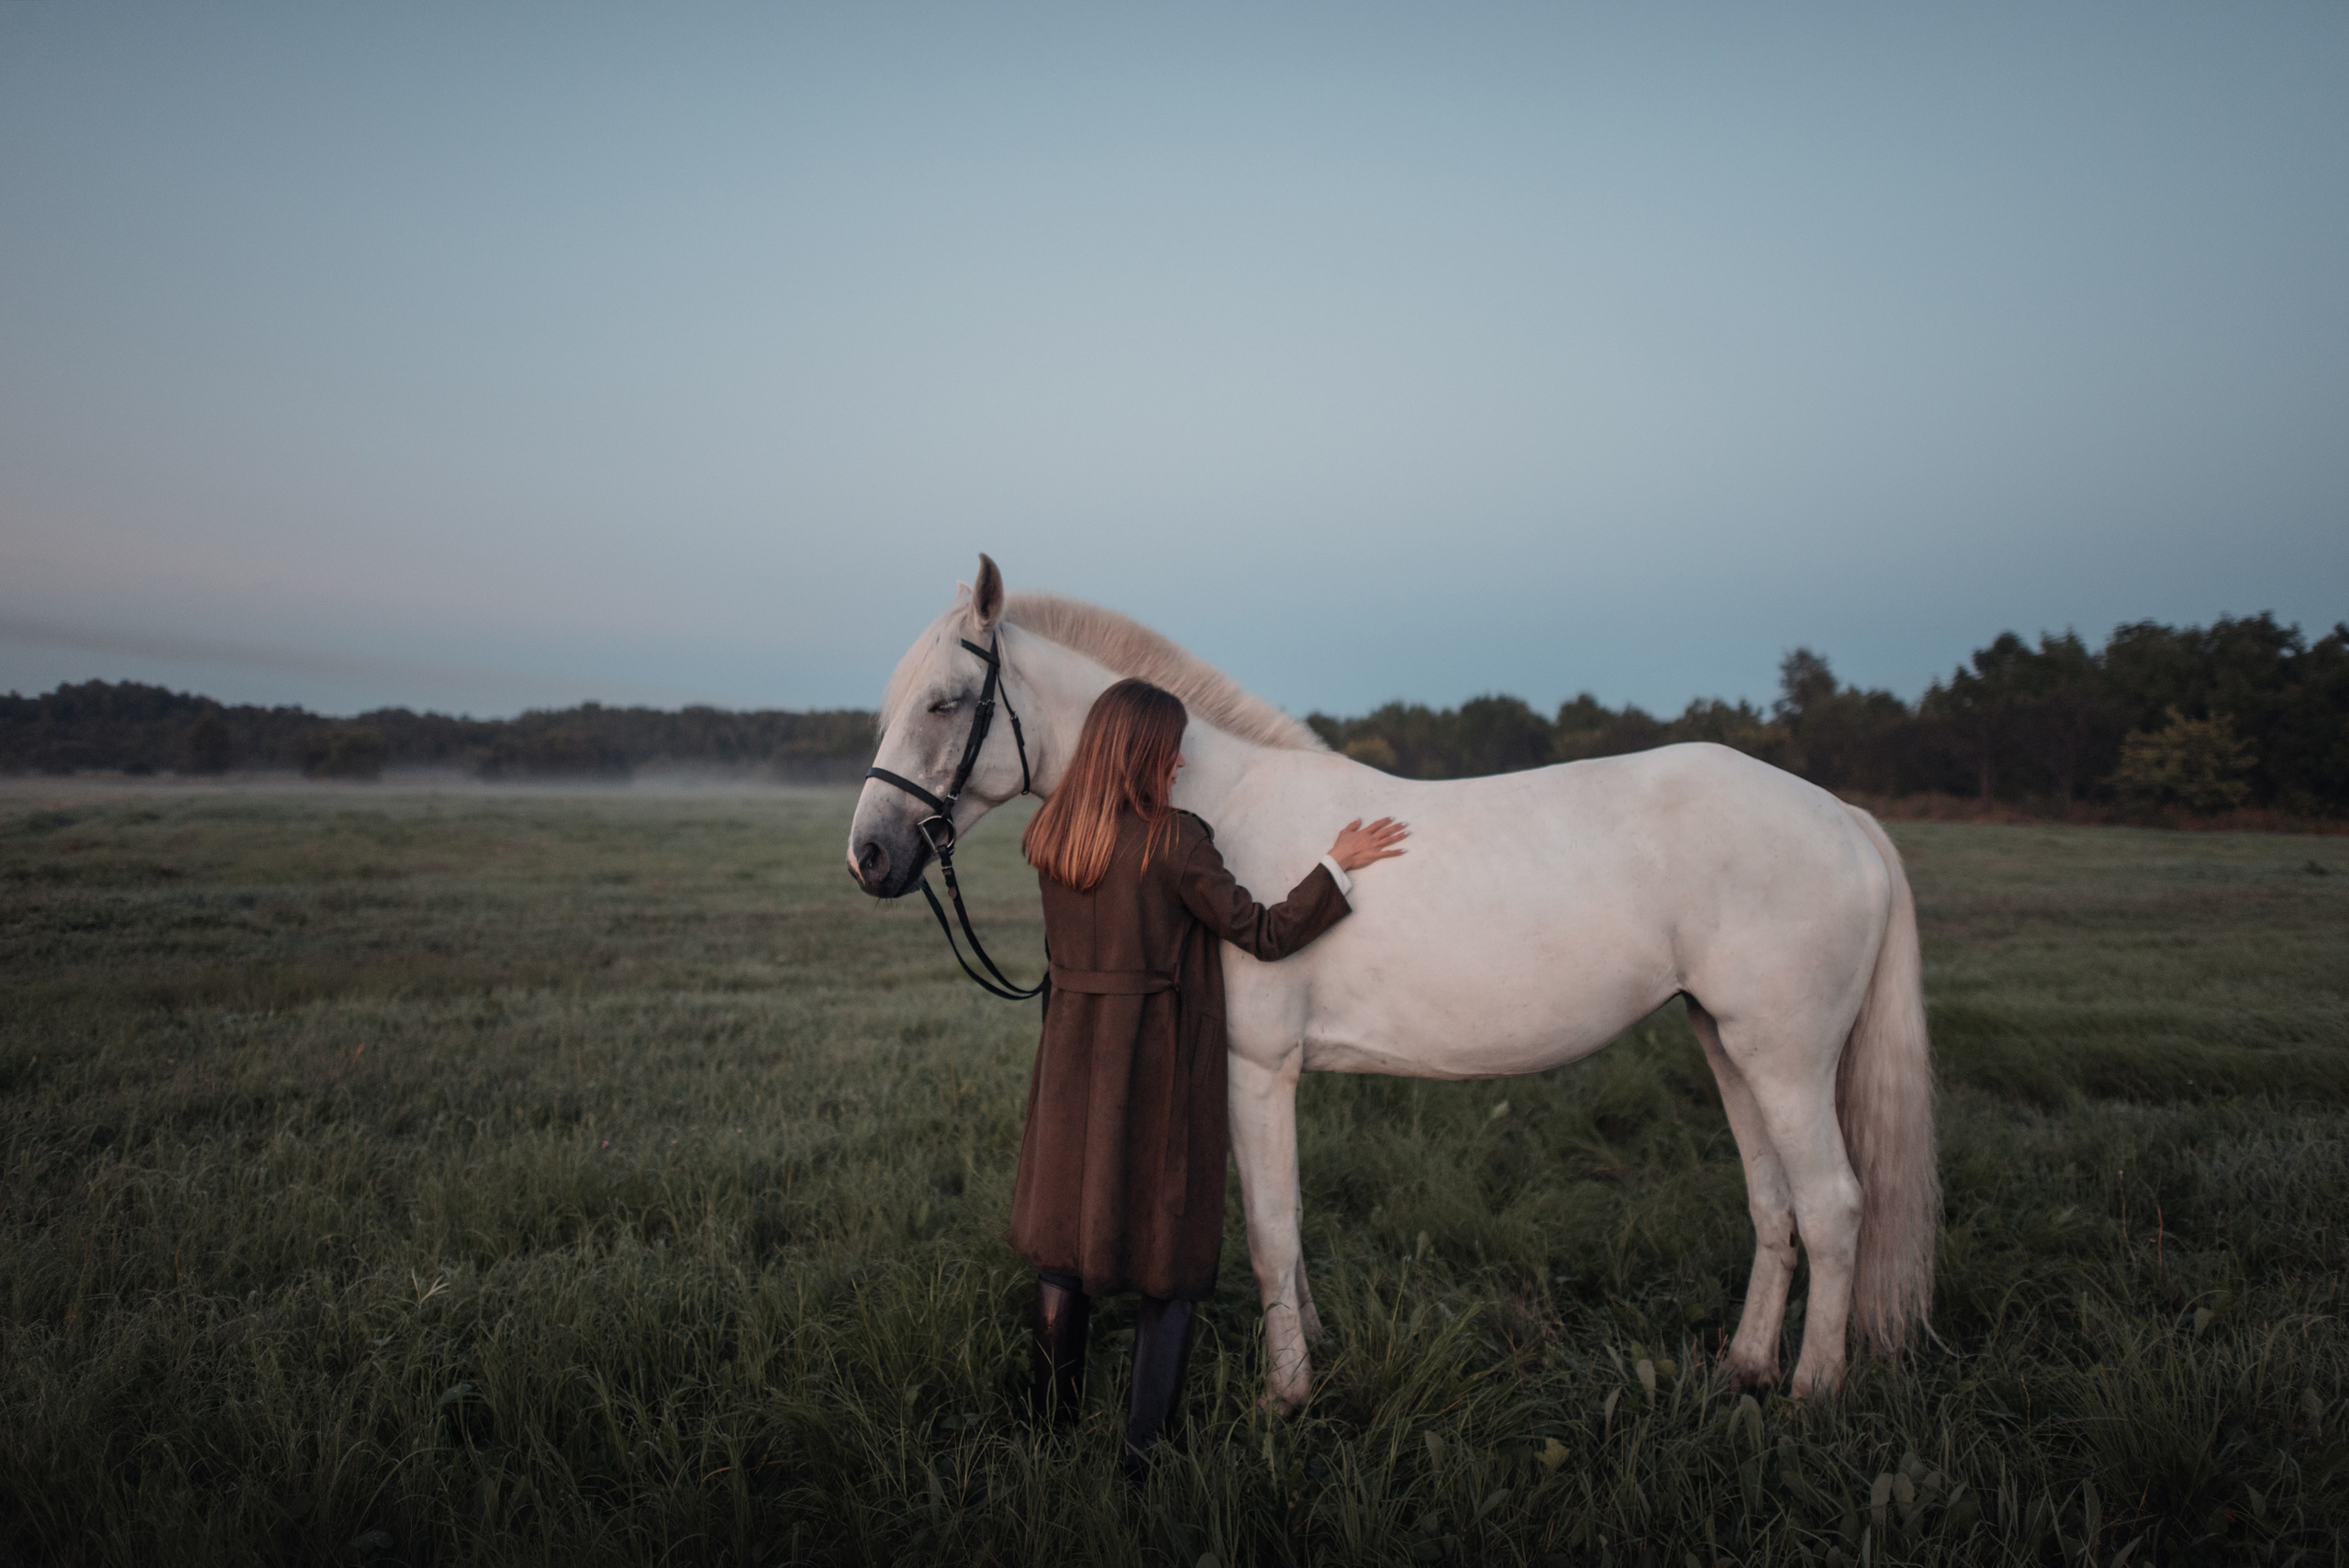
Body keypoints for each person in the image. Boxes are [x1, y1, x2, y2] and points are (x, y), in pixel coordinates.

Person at [1009, 677, 1408, 1473]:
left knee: (1063, 1247)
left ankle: (1050, 1434)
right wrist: (1338, 863)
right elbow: (1263, 932)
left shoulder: (1051, 836)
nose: (1182, 759)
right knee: (1171, 1253)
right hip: (1156, 1056)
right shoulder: (1177, 840)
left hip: (1071, 1059)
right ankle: (1141, 1454)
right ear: (1144, 753)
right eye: (1172, 746)